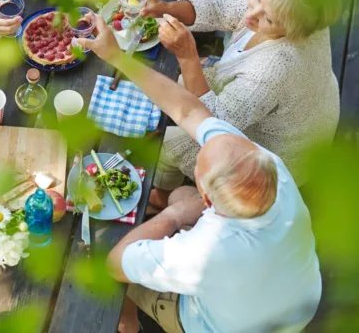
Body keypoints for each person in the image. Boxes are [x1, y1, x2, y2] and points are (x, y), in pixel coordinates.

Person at [74, 17, 322, 333]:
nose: (212, 137)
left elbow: (118, 261)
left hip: (216, 323)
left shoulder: (204, 253)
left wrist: (176, 216)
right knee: (178, 195)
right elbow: (190, 112)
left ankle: (128, 325)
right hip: (296, 298)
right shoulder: (269, 166)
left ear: (207, 198)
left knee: (106, 255)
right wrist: (116, 57)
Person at [141, 0, 340, 202]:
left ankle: (162, 197)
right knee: (170, 87)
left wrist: (187, 56)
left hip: (277, 156)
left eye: (267, 19)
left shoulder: (274, 69)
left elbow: (214, 124)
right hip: (298, 107)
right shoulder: (295, 7)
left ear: (292, 30)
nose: (250, 15)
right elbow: (221, 7)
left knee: (166, 146)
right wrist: (166, 7)